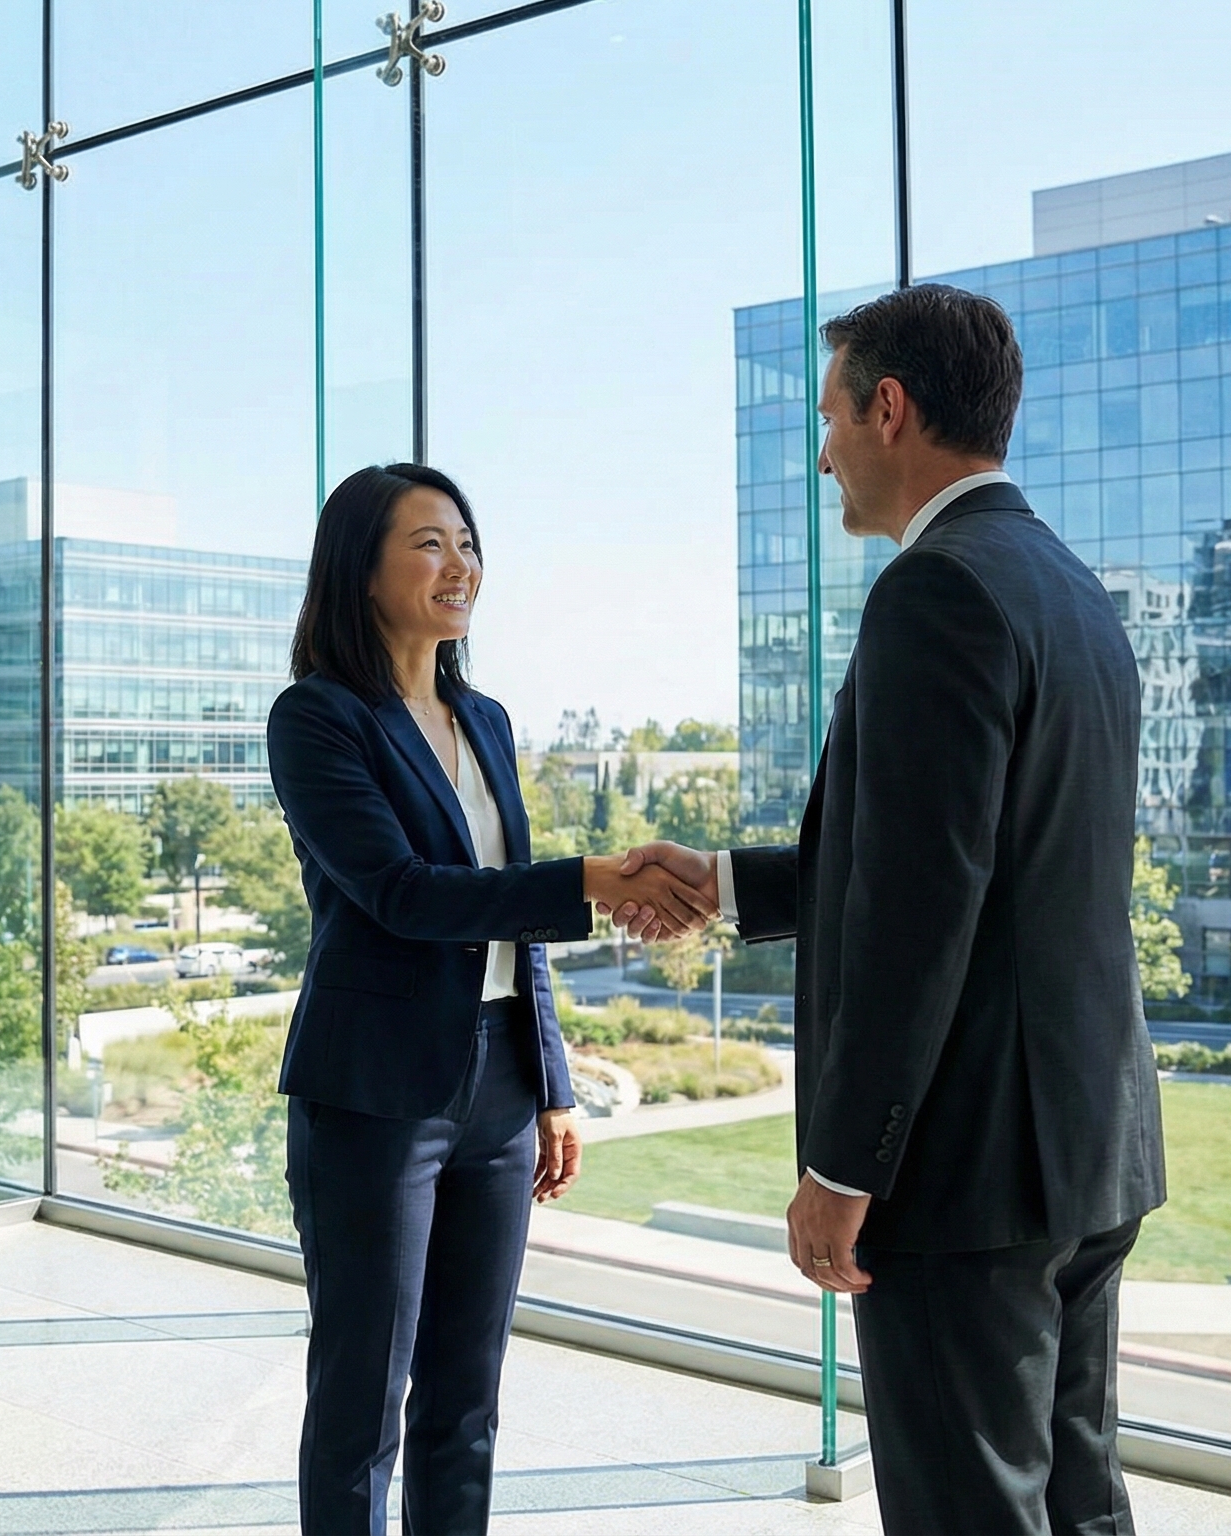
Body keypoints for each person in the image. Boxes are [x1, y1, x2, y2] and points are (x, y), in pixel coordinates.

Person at [615, 284, 1165, 1536]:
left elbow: (925, 913)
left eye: (830, 417)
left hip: (964, 1175)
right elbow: (974, 860)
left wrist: (840, 1170)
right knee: (1075, 1503)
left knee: (968, 1515)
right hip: (1085, 1150)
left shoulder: (937, 591)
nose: (821, 453)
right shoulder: (1071, 593)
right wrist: (726, 883)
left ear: (890, 407)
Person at [268, 463, 715, 1536]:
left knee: (467, 1399)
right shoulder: (317, 719)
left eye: (466, 542)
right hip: (375, 1095)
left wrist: (551, 1081)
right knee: (359, 1404)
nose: (459, 564)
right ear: (360, 569)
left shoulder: (487, 718)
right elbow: (401, 895)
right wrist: (595, 879)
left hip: (500, 1089)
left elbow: (507, 915)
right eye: (428, 543)